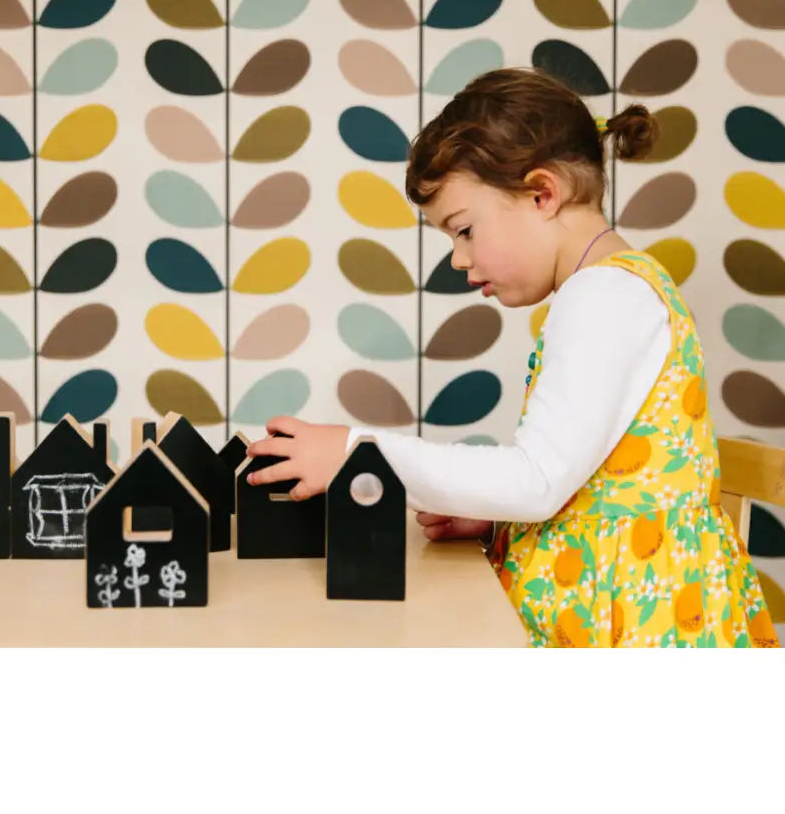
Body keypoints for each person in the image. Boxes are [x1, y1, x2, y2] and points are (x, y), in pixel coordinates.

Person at [245, 66, 779, 649]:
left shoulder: (604, 295)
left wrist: (357, 452)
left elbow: (538, 479)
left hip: (634, 622)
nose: (456, 258)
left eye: (465, 229)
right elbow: (590, 479)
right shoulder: (610, 289)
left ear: (541, 193)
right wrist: (503, 520)